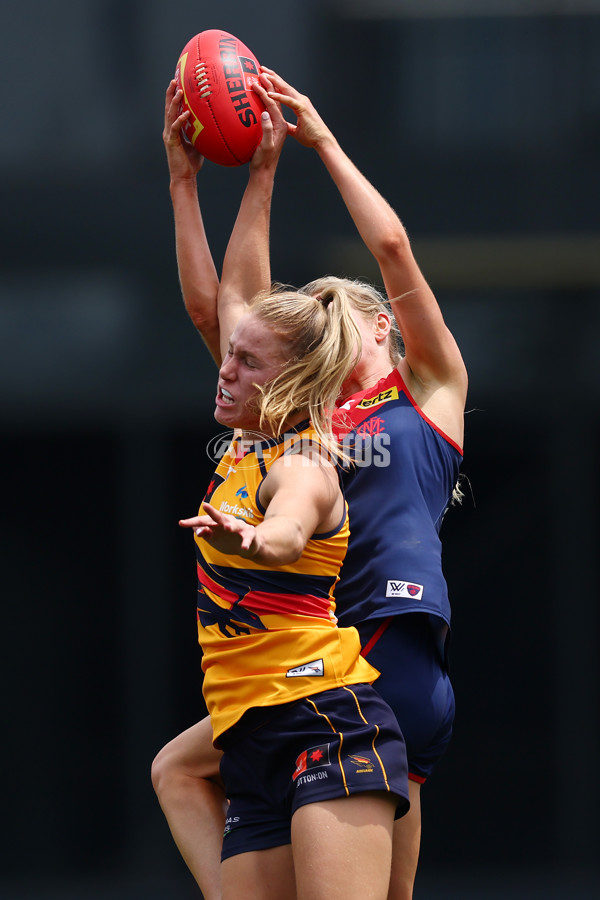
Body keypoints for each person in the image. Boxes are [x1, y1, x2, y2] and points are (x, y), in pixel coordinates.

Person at [152, 69, 468, 900]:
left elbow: (392, 250)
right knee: (179, 769)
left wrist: (319, 142)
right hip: (310, 652)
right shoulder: (297, 417)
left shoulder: (427, 397)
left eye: (338, 307)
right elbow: (227, 311)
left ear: (382, 325)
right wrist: (204, 180)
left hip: (386, 644)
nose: (320, 312)